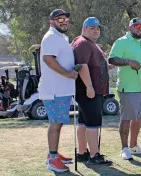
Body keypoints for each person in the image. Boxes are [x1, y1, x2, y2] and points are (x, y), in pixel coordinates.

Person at [71, 17, 112, 165]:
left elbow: (98, 65)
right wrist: (89, 86)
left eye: (97, 28)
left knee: (84, 122)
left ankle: (82, 153)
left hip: (91, 90)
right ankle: (95, 155)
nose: (95, 31)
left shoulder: (90, 43)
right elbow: (82, 65)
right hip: (89, 91)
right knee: (93, 123)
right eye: (92, 28)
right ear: (84, 29)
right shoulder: (82, 43)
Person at [108, 17, 141, 160]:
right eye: (137, 26)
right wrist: (128, 62)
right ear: (130, 28)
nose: (140, 28)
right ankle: (124, 148)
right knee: (126, 118)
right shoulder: (121, 42)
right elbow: (112, 59)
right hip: (127, 87)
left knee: (138, 118)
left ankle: (134, 146)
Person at [40, 9, 77, 172]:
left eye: (65, 19)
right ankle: (52, 160)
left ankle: (53, 154)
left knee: (59, 123)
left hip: (62, 90)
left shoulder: (61, 37)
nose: (63, 21)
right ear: (51, 22)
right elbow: (48, 59)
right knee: (55, 124)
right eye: (59, 19)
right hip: (54, 90)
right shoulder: (50, 37)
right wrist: (68, 73)